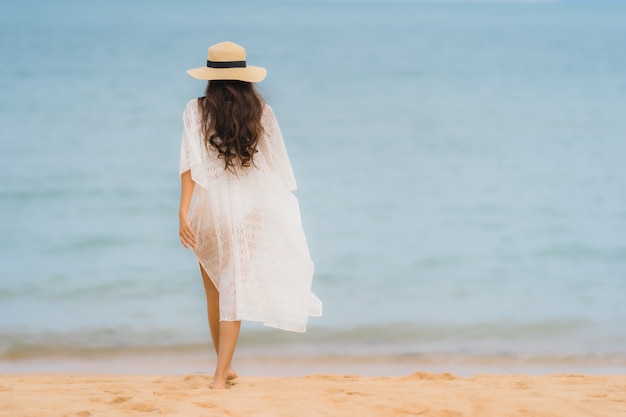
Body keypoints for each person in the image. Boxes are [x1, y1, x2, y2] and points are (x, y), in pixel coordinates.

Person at [178, 41, 322, 389]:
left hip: (210, 210)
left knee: (214, 292)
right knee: (235, 290)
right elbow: (278, 170)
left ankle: (222, 368)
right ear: (245, 76)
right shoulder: (261, 111)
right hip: (249, 211)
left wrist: (183, 212)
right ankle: (220, 373)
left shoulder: (195, 110)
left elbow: (190, 164)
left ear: (209, 76)